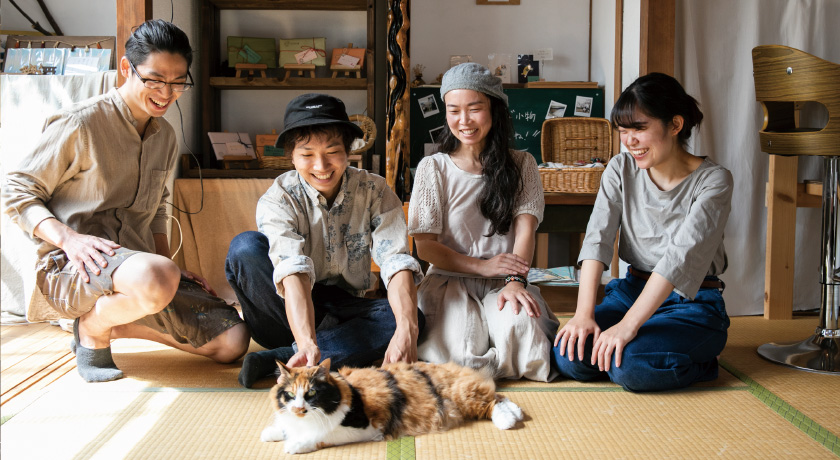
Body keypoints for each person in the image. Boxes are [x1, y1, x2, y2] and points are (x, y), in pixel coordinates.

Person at [1, 20, 249, 383]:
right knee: (157, 276)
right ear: (125, 68)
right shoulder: (80, 124)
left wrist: (169, 268)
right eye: (154, 79)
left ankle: (111, 319)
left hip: (136, 272)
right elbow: (15, 190)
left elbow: (158, 209)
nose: (166, 93)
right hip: (72, 268)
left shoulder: (164, 136)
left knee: (232, 342)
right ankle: (92, 329)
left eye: (178, 81)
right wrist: (69, 239)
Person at [225, 93, 425, 388]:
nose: (321, 166)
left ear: (348, 150)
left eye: (332, 151)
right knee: (245, 248)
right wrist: (305, 340)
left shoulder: (374, 191)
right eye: (307, 154)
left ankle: (279, 360)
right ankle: (309, 350)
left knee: (411, 319)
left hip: (342, 309)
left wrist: (407, 330)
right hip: (282, 313)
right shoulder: (279, 199)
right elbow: (292, 270)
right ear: (291, 156)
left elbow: (395, 261)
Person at [552, 72, 733, 392]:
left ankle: (701, 362)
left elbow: (679, 259)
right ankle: (657, 348)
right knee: (569, 356)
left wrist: (628, 326)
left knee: (630, 365)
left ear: (675, 125)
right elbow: (597, 239)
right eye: (623, 130)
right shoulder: (619, 169)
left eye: (639, 128)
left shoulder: (714, 181)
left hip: (691, 302)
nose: (629, 140)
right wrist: (583, 315)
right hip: (631, 290)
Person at [408, 63, 560, 381]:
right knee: (459, 353)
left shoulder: (522, 163)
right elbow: (425, 246)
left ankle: (498, 343)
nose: (464, 121)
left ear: (494, 108)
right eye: (453, 111)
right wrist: (481, 267)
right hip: (448, 279)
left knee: (527, 345)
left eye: (474, 109)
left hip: (506, 281)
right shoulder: (432, 168)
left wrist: (515, 280)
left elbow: (525, 230)